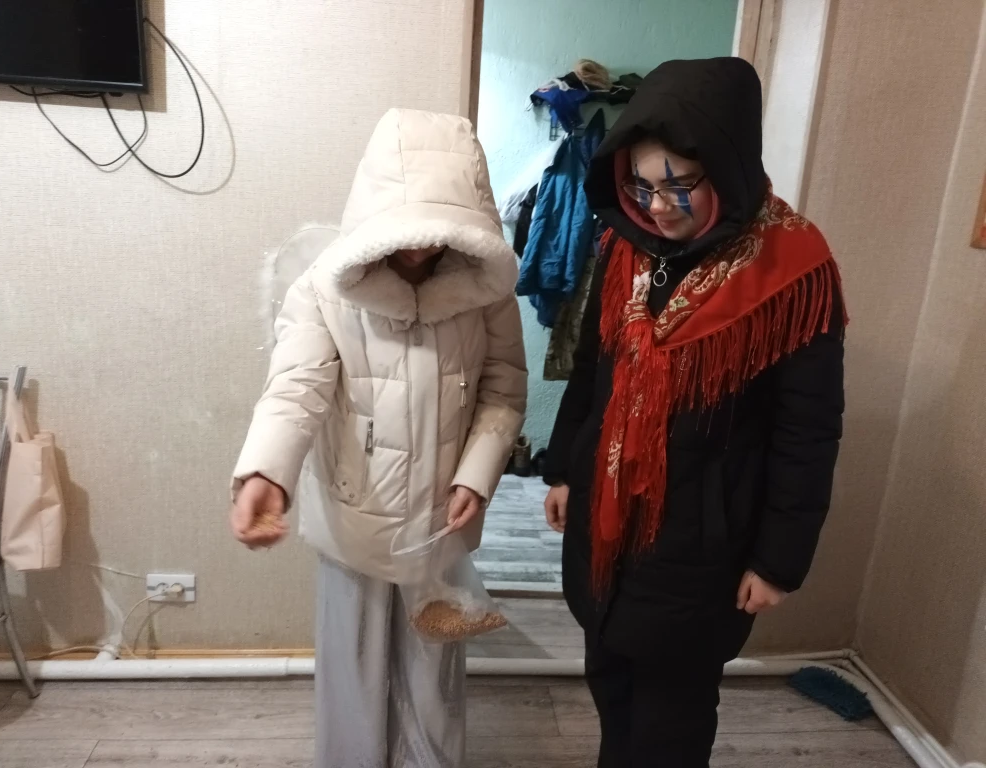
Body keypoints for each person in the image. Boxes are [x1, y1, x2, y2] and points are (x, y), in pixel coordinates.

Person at [542, 58, 846, 767]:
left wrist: (778, 561)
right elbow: (592, 367)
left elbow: (807, 432)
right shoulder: (624, 244)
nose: (658, 206)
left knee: (669, 726)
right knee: (611, 687)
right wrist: (564, 468)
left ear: (728, 166)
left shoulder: (793, 270)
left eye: (680, 184)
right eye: (641, 184)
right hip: (605, 526)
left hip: (702, 547)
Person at [229, 108, 527, 768]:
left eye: (436, 232)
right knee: (352, 674)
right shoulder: (324, 289)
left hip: (440, 522)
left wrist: (477, 474)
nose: (418, 249)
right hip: (353, 519)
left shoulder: (485, 293)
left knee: (433, 680)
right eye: (405, 230)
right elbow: (295, 387)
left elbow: (504, 387)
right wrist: (266, 473)